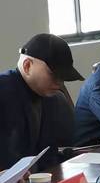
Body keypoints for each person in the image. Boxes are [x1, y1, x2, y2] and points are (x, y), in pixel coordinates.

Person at [0, 33, 81, 171]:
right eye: (53, 75)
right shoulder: (3, 93)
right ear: (27, 66)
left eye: (62, 78)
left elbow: (66, 150)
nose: (59, 83)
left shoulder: (56, 100)